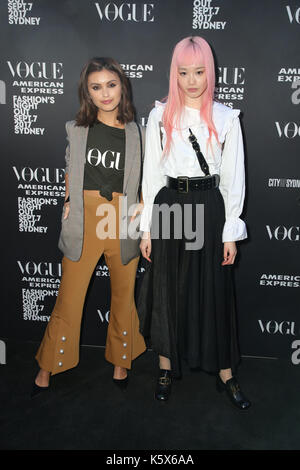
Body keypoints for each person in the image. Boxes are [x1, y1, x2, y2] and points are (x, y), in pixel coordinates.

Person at [138, 36, 251, 410]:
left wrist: (230, 231)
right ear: (175, 73)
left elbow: (234, 177)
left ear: (210, 72)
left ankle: (225, 372)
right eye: (184, 72)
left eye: (199, 71)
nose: (191, 80)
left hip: (210, 206)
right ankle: (166, 367)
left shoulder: (225, 117)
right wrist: (148, 230)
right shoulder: (159, 115)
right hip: (170, 204)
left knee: (214, 290)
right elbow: (151, 177)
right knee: (168, 289)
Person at [32, 57, 146, 397]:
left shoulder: (138, 133)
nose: (105, 93)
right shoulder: (77, 128)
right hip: (84, 219)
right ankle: (48, 364)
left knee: (124, 297)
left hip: (123, 219)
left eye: (111, 85)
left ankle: (121, 359)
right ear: (88, 92)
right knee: (68, 298)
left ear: (122, 86)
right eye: (96, 87)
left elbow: (144, 179)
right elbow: (70, 169)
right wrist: (68, 201)